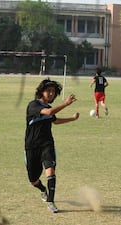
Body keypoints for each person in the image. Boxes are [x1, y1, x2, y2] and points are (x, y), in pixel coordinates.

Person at [24, 79, 79, 213]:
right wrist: (65, 104)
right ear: (41, 92)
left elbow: (54, 120)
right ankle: (43, 190)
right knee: (33, 179)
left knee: (50, 169)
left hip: (47, 144)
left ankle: (51, 202)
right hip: (31, 146)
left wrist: (72, 119)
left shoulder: (50, 109)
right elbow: (49, 113)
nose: (51, 94)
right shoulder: (33, 105)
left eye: (53, 92)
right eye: (48, 91)